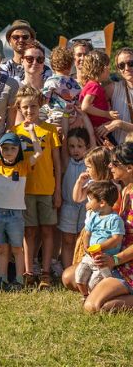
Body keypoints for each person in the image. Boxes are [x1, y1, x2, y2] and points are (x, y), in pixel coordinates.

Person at [14, 85, 61, 290]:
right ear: (19, 108)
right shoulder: (15, 132)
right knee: (29, 232)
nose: (29, 110)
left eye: (33, 106)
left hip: (47, 188)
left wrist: (58, 190)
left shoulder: (50, 130)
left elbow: (58, 164)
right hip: (25, 190)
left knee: (48, 231)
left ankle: (46, 272)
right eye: (25, 107)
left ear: (40, 105)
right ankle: (28, 271)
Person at [80, 143, 133, 313]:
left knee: (95, 307)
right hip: (119, 259)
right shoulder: (124, 190)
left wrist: (115, 260)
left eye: (115, 163)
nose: (109, 165)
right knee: (70, 277)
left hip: (125, 263)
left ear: (130, 168)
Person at [0, 126, 40, 290]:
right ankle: (2, 278)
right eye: (5, 148)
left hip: (15, 214)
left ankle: (18, 279)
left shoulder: (23, 166)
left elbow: (38, 153)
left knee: (17, 248)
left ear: (19, 150)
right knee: (2, 248)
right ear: (0, 149)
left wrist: (32, 132)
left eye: (13, 148)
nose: (9, 151)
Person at [74, 181, 125, 299]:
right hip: (89, 256)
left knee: (94, 282)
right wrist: (86, 246)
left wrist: (100, 247)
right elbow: (87, 233)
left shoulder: (115, 219)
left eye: (91, 199)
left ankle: (95, 296)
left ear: (102, 203)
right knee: (79, 276)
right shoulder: (94, 216)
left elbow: (116, 239)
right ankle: (85, 296)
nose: (89, 202)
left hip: (104, 259)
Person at [58, 128, 93, 269]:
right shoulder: (67, 161)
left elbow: (91, 135)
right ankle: (67, 269)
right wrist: (66, 116)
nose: (75, 150)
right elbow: (65, 136)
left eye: (79, 146)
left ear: (87, 147)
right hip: (69, 207)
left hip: (85, 208)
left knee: (83, 240)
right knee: (67, 240)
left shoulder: (89, 163)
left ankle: (79, 270)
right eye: (72, 146)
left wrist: (84, 115)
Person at [79, 51, 115, 131]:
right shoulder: (94, 86)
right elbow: (85, 107)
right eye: (108, 67)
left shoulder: (91, 84)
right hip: (98, 128)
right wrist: (107, 114)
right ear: (102, 68)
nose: (109, 70)